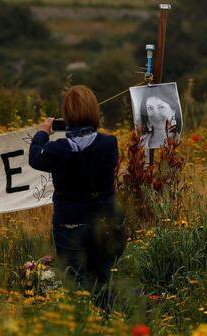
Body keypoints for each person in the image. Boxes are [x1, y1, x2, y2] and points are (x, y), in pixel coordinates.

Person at [28, 85, 125, 309]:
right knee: (103, 278)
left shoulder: (58, 149)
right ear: (94, 112)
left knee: (75, 281)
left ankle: (84, 322)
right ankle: (107, 320)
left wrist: (43, 132)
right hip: (104, 221)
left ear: (67, 117)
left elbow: (35, 158)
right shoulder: (109, 144)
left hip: (69, 223)